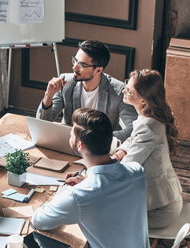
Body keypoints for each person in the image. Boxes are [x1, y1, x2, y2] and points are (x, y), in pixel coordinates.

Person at [32, 108, 149, 248]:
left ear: (80, 145)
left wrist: (68, 191)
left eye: (71, 134)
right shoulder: (137, 172)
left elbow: (38, 221)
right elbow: (110, 192)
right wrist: (88, 182)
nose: (70, 136)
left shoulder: (78, 196)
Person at [112, 69, 183, 228]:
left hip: (159, 210)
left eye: (129, 91)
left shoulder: (149, 128)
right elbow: (132, 139)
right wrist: (118, 153)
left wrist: (101, 168)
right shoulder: (148, 116)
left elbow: (126, 169)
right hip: (165, 198)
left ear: (143, 100)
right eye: (126, 84)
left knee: (104, 214)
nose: (124, 90)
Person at [36, 40, 137, 142]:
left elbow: (134, 128)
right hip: (70, 143)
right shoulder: (66, 83)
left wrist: (101, 139)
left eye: (82, 65)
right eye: (75, 60)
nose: (74, 67)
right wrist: (48, 95)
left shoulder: (119, 91)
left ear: (98, 70)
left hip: (101, 148)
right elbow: (43, 123)